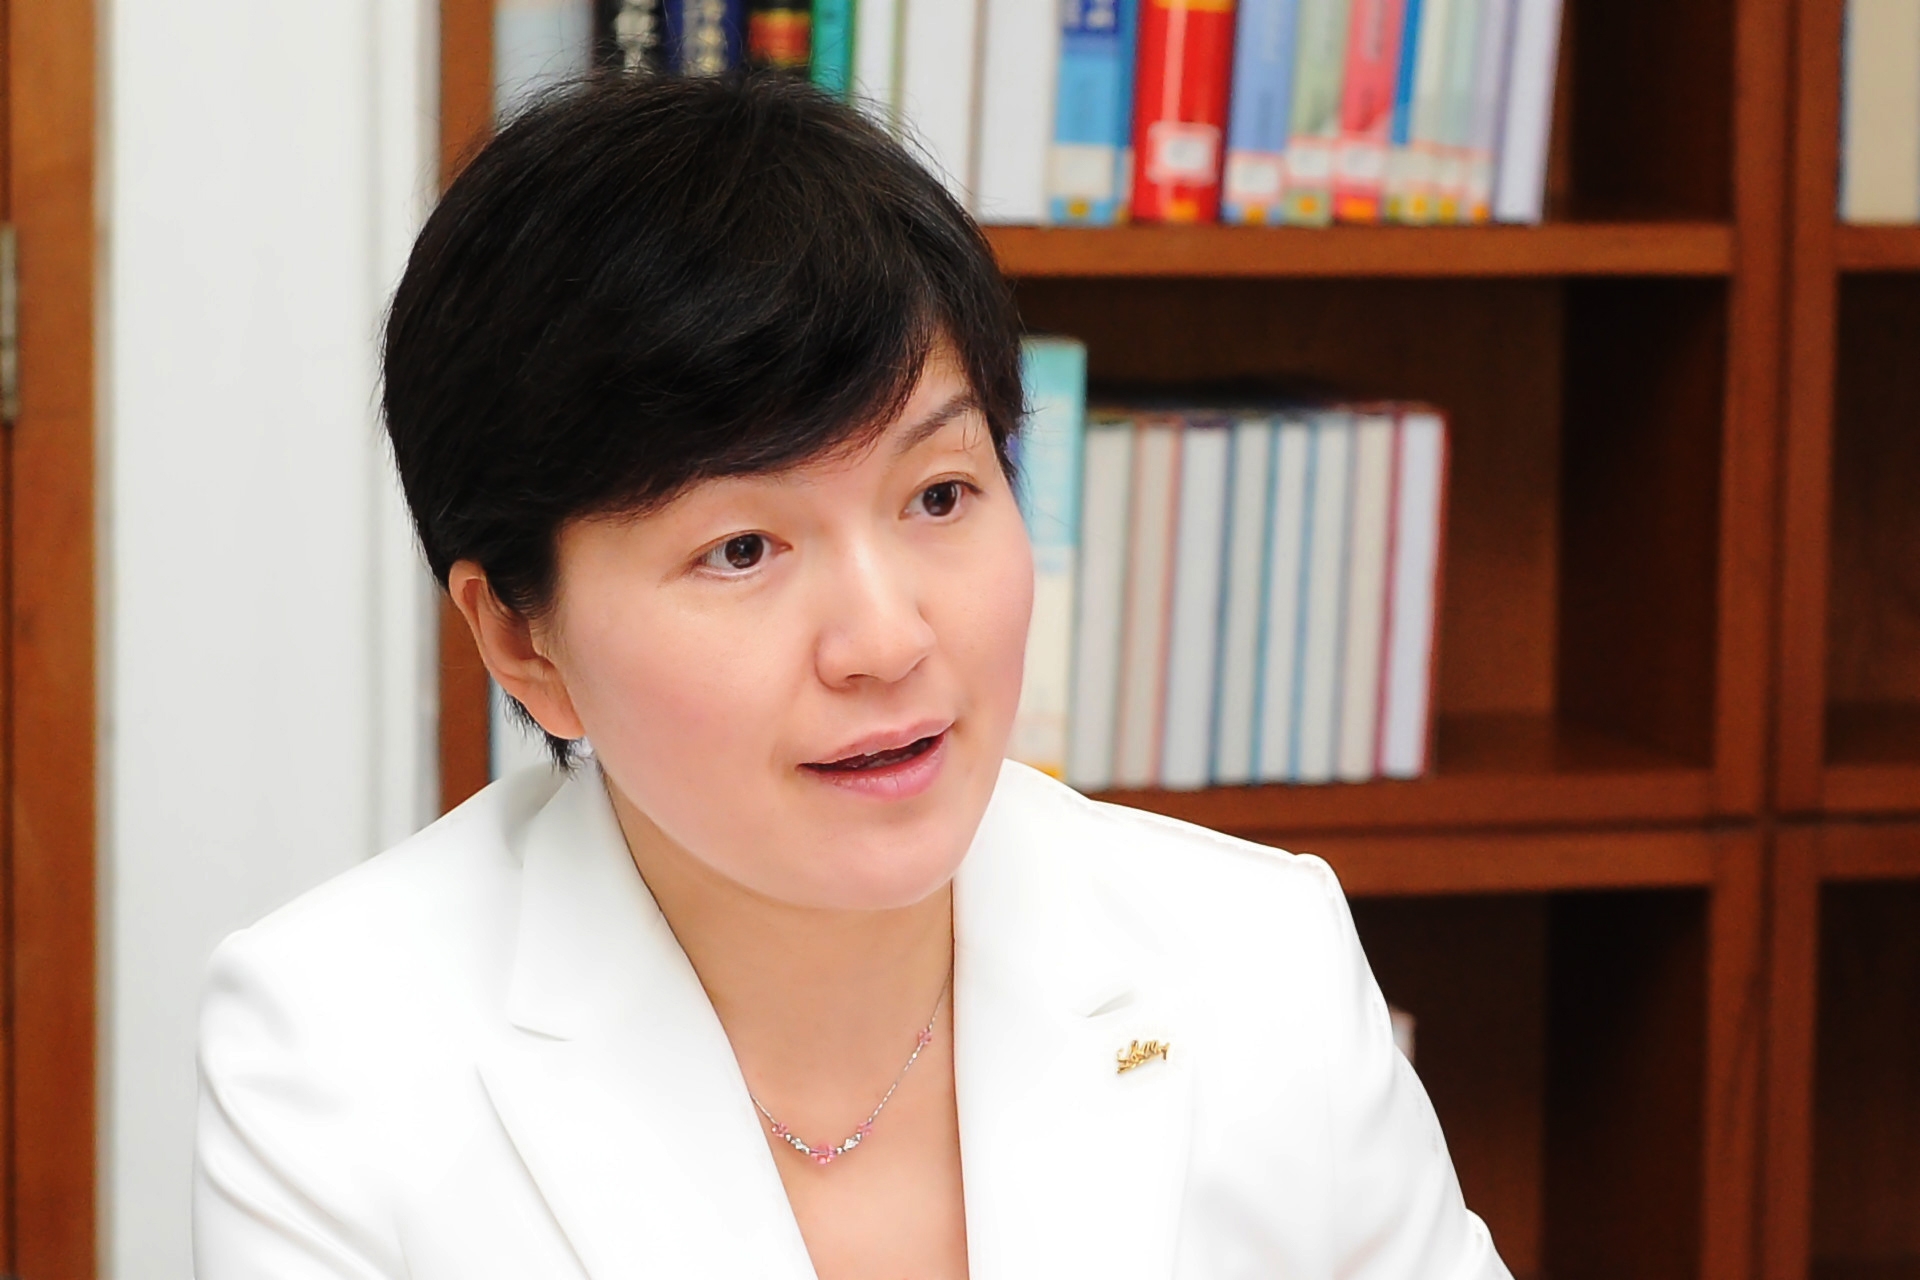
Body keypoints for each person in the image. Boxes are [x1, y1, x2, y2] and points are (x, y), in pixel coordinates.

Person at [193, 71, 1510, 1280]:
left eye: (939, 495)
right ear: (524, 644)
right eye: (742, 548)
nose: (886, 640)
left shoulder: (1256, 961)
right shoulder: (337, 1057)